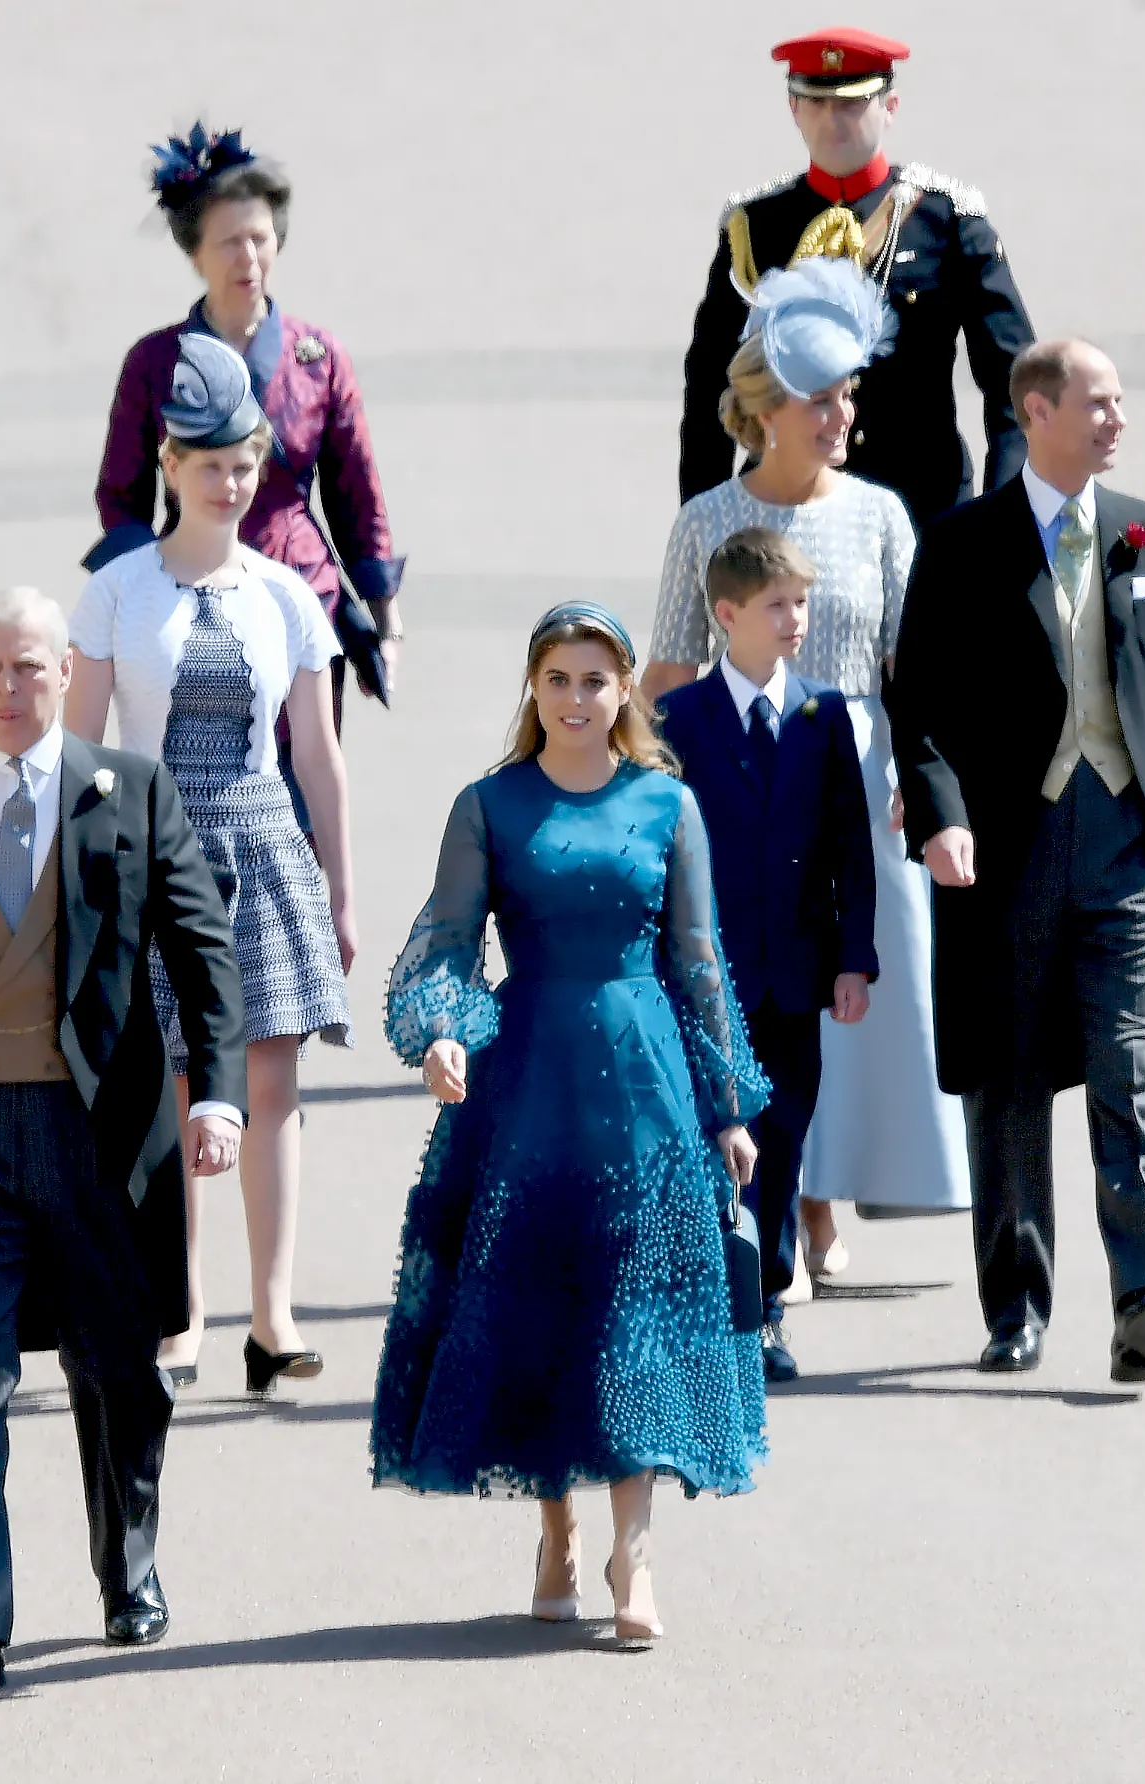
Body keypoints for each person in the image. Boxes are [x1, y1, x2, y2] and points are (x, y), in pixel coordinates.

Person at [0, 588, 248, 1703]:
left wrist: (215, 1095)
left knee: (120, 1371)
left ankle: (129, 1566)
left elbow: (205, 952)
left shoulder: (132, 789)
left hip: (102, 1135)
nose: (10, 689)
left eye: (30, 668)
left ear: (66, 672)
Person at [371, 602, 767, 1645]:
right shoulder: (489, 805)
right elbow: (449, 939)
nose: (578, 698)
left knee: (635, 1318)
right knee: (549, 1313)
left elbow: (699, 957)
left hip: (647, 1086)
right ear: (533, 687)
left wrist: (729, 1106)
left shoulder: (667, 804)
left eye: (597, 679)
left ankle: (631, 1554)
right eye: (559, 678)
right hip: (529, 1087)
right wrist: (444, 1034)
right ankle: (555, 1532)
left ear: (626, 689)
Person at [647, 256, 970, 1285]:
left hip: (862, 777)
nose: (842, 414)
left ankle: (820, 1201)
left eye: (848, 396)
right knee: (765, 990)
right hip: (744, 787)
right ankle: (786, 1216)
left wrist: (927, 783)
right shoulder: (706, 520)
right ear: (768, 409)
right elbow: (667, 671)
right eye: (822, 399)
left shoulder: (877, 514)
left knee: (857, 997)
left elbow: (915, 671)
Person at [891, 341, 1145, 1381]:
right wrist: (939, 817)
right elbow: (916, 705)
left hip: (1126, 856)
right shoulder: (964, 544)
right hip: (1006, 854)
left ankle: (1141, 1295)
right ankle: (1016, 1304)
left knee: (1130, 1072)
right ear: (1036, 410)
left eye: (1120, 401)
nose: (1118, 419)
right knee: (1008, 1085)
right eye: (1098, 402)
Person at [68, 333, 357, 1392]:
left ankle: (273, 1313)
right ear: (169, 468)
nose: (231, 482)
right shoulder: (117, 590)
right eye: (209, 464)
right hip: (152, 852)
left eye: (244, 463)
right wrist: (82, 886)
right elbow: (83, 755)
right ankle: (179, 1305)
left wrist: (340, 890)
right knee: (175, 1083)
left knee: (271, 1084)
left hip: (265, 845)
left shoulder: (287, 593)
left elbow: (319, 757)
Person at [89, 122, 404, 793]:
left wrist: (385, 615)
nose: (248, 257)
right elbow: (121, 497)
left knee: (298, 788)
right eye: (229, 242)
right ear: (196, 252)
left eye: (260, 239)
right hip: (187, 595)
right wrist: (134, 597)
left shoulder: (319, 356)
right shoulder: (153, 362)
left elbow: (357, 496)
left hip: (300, 591)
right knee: (191, 789)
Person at [660, 530, 876, 1382]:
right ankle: (706, 1308)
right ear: (727, 615)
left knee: (782, 1138)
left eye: (802, 602)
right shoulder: (680, 721)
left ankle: (767, 1311)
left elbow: (848, 850)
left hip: (794, 974)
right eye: (777, 604)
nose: (796, 620)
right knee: (708, 1138)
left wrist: (854, 959)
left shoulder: (823, 717)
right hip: (705, 980)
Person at [679, 28, 1035, 528]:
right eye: (816, 102)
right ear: (792, 109)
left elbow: (1014, 388)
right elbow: (708, 394)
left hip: (923, 509)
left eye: (852, 103)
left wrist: (1000, 521)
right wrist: (706, 522)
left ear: (890, 106)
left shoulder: (946, 220)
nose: (833, 118)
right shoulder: (755, 227)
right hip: (784, 513)